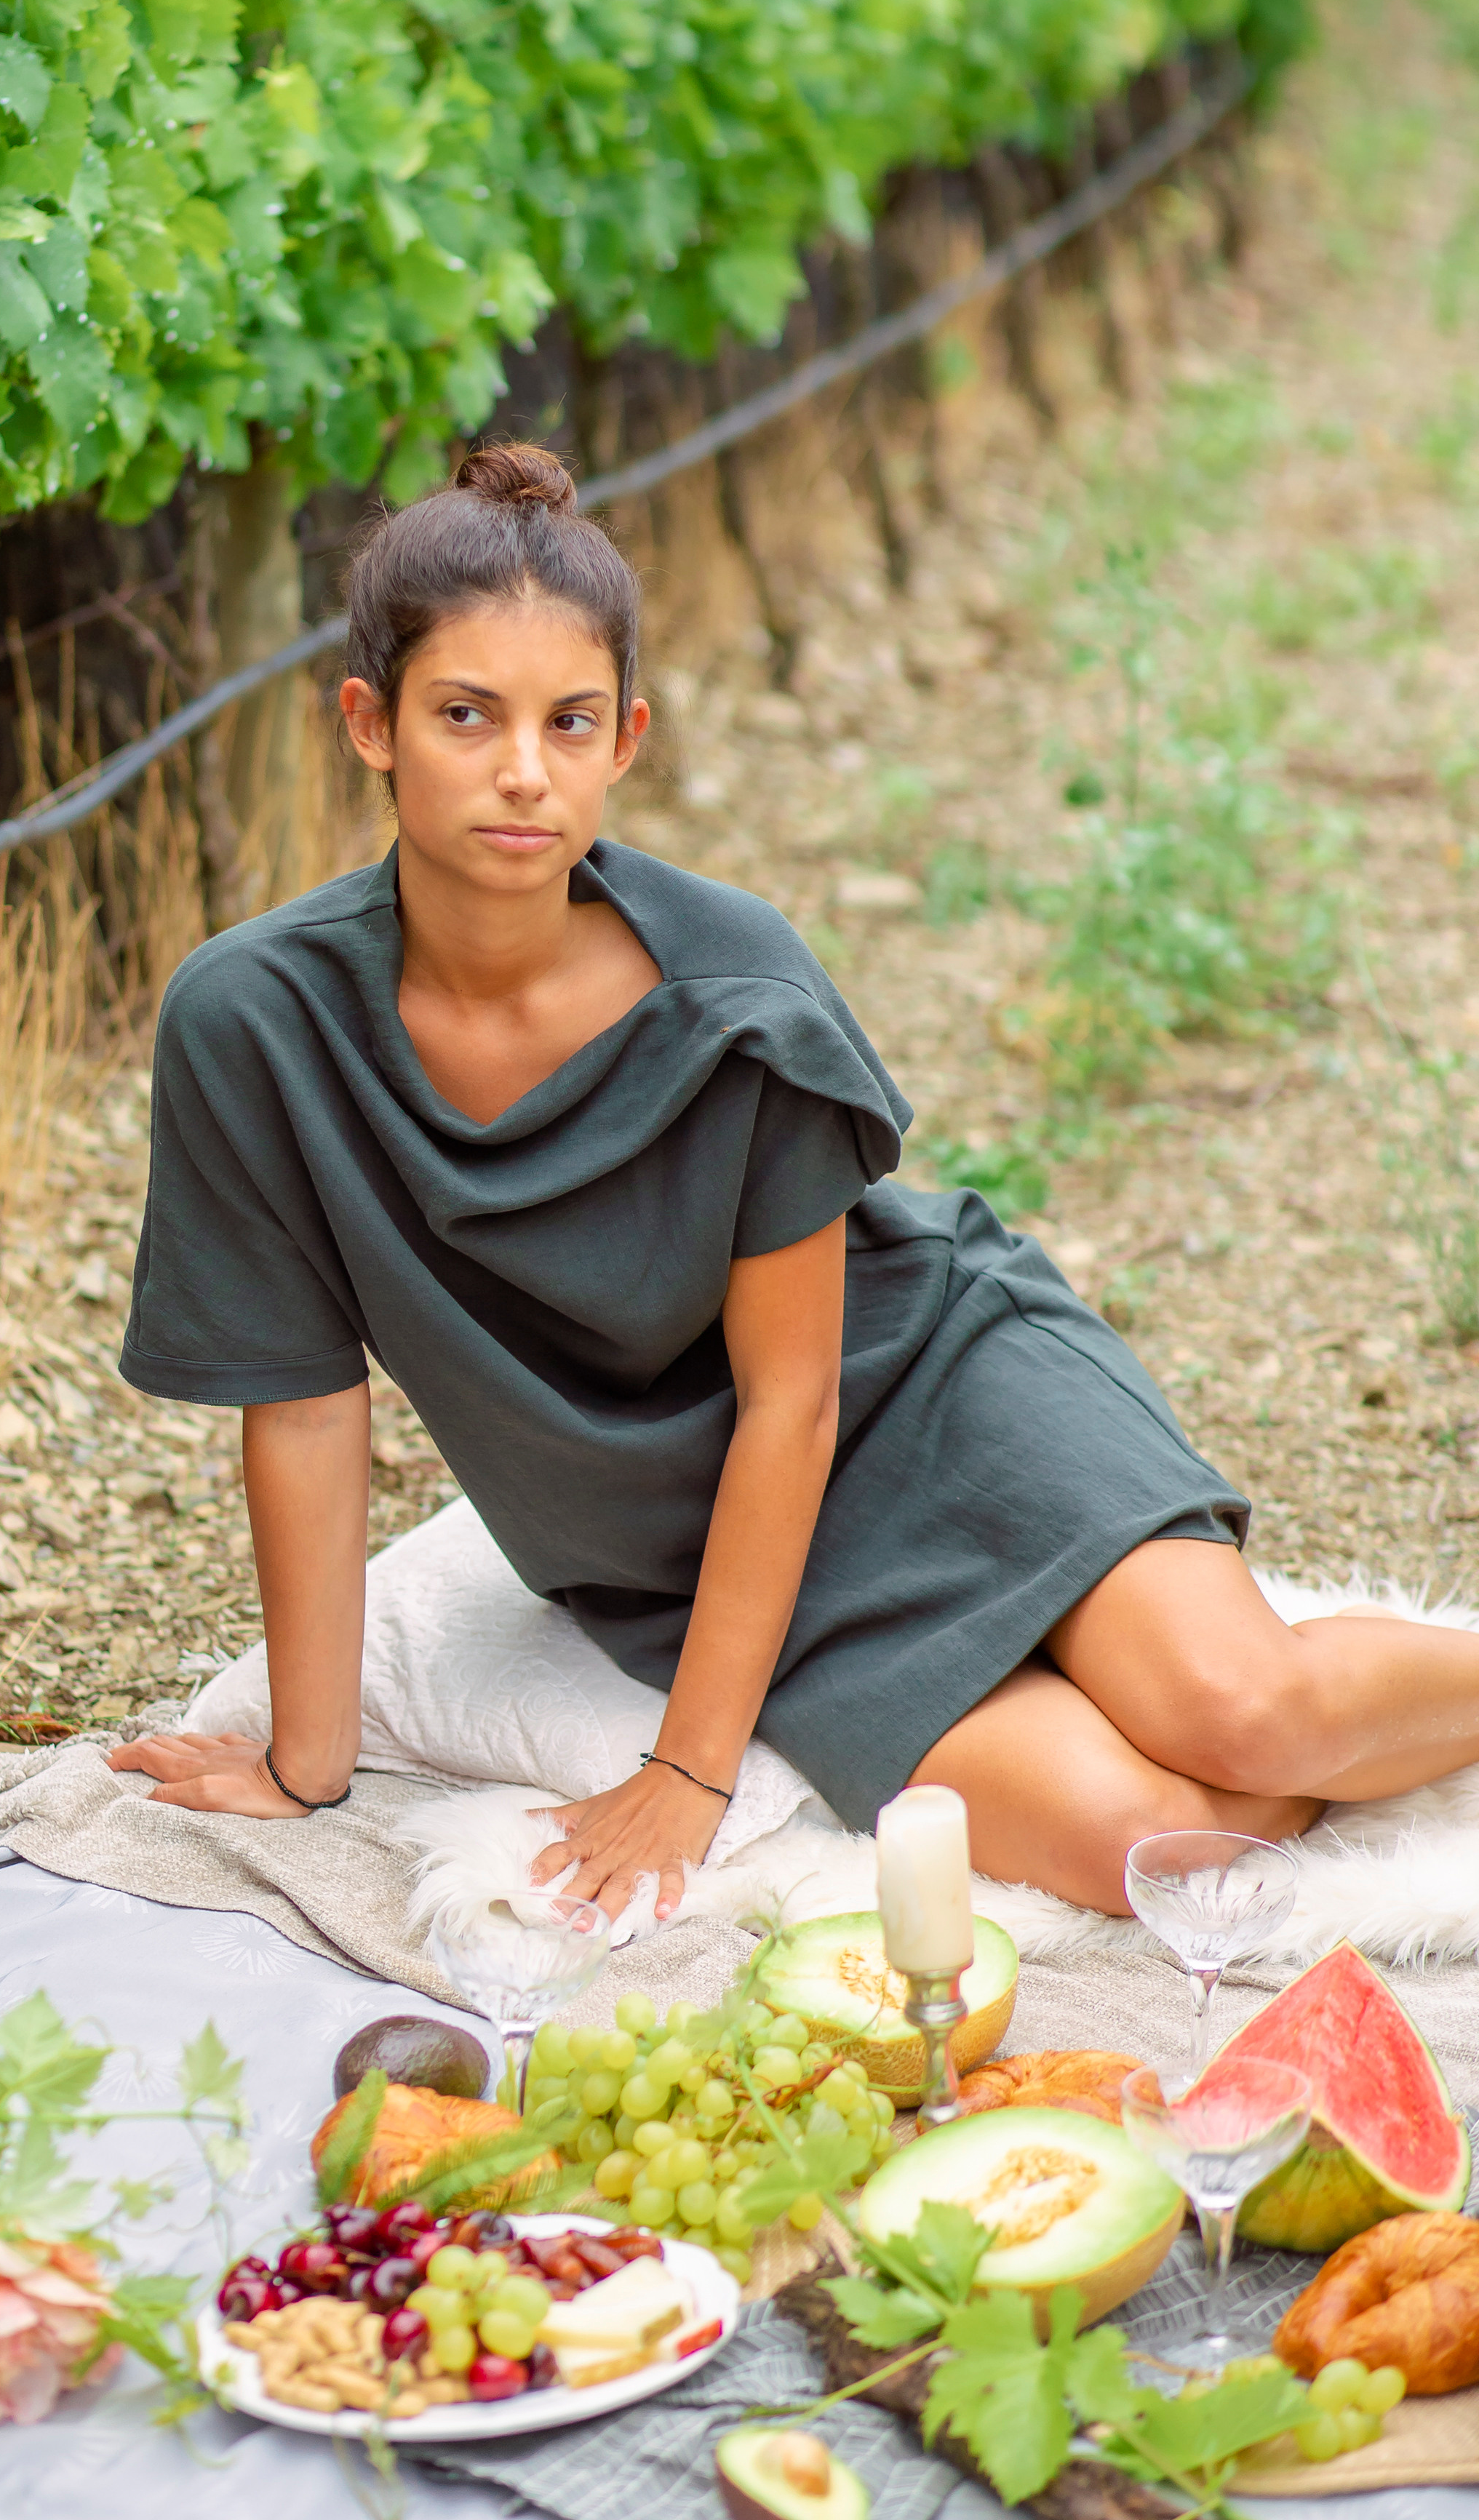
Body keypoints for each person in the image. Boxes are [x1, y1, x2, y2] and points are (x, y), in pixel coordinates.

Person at [111, 443, 1479, 1921]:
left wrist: (688, 1778)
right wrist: (310, 1769)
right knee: (1145, 1839)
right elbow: (309, 1410)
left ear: (625, 738)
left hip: (931, 1397)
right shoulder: (253, 1022)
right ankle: (1114, 1664)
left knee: (1252, 1721)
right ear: (370, 725)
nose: (523, 770)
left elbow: (795, 1400)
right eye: (466, 716)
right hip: (683, 1557)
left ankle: (1174, 1643)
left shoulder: (735, 990)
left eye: (569, 723)